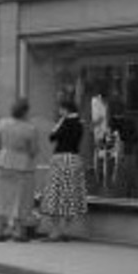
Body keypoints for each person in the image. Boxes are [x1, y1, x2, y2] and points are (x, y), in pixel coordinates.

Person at [0, 97, 39, 242]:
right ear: (25, 112)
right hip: (23, 166)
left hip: (4, 163)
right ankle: (19, 232)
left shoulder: (2, 123)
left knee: (3, 197)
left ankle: (1, 230)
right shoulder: (30, 128)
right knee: (21, 199)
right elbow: (33, 150)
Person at [41, 97, 86, 241]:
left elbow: (52, 137)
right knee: (69, 196)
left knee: (55, 195)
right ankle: (64, 230)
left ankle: (56, 231)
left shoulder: (66, 122)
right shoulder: (79, 122)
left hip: (61, 159)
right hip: (74, 159)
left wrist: (60, 122)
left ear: (66, 109)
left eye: (61, 109)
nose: (59, 111)